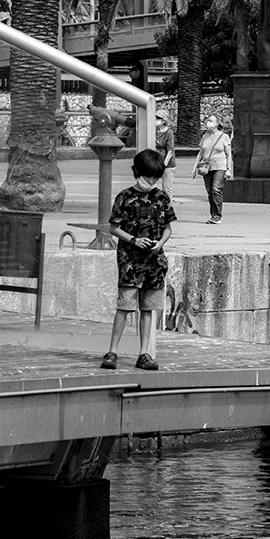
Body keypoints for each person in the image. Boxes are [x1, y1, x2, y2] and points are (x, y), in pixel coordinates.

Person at [100, 148, 175, 373]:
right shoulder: (124, 197)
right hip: (130, 261)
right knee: (124, 306)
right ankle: (112, 351)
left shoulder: (162, 198)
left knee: (148, 308)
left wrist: (159, 243)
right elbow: (113, 228)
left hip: (154, 261)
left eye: (155, 177)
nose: (151, 181)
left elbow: (168, 229)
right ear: (136, 172)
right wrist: (134, 240)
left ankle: (144, 353)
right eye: (147, 176)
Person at [193, 115, 232, 224]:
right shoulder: (205, 136)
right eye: (208, 121)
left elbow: (229, 155)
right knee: (210, 191)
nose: (208, 123)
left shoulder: (224, 137)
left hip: (220, 166)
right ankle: (213, 214)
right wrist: (194, 167)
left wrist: (229, 169)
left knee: (216, 189)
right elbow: (201, 152)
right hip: (207, 167)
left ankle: (217, 216)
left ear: (217, 123)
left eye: (211, 121)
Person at [155, 114, 176, 200]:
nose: (155, 120)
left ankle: (168, 209)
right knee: (151, 187)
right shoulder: (154, 131)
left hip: (167, 165)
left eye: (158, 119)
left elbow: (170, 150)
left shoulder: (169, 133)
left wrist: (164, 164)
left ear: (163, 121)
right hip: (155, 162)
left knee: (166, 189)